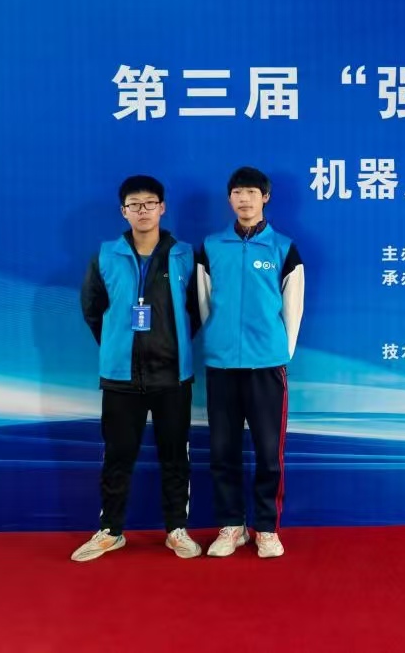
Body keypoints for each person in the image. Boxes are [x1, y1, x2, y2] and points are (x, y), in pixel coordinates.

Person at [73, 175, 202, 562]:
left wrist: (171, 344)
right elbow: (92, 309)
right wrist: (118, 344)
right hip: (120, 377)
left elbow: (197, 310)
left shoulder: (185, 256)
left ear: (162, 208)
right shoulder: (105, 256)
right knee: (117, 456)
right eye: (134, 204)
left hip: (172, 376)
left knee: (175, 456)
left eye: (149, 203)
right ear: (123, 211)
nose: (142, 210)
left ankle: (176, 530)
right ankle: (111, 531)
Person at [197, 167, 304, 558]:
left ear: (265, 198)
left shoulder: (283, 248)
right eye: (238, 192)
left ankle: (266, 528)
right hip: (222, 365)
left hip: (267, 366)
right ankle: (231, 526)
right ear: (229, 199)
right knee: (222, 450)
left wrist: (278, 353)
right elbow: (204, 303)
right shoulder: (211, 247)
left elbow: (293, 309)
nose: (244, 199)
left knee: (268, 452)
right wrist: (217, 341)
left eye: (252, 192)